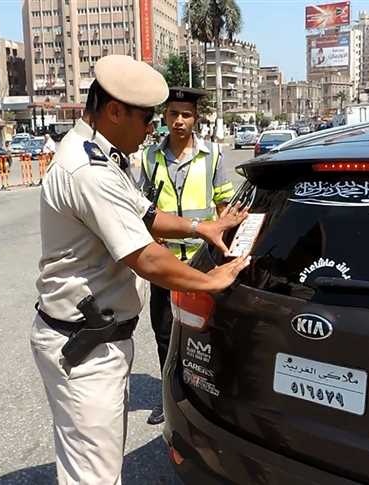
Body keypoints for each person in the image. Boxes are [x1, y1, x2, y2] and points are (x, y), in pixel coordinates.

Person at [31, 55, 250, 485]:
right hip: (84, 345)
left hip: (95, 339)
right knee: (94, 477)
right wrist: (210, 281)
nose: (154, 128)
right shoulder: (87, 171)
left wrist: (201, 227)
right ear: (115, 111)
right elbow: (146, 257)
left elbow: (146, 214)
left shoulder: (102, 155)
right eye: (147, 118)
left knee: (92, 463)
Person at [139, 86, 235, 425]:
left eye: (186, 115)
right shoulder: (151, 157)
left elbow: (225, 206)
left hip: (202, 263)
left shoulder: (212, 156)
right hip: (164, 263)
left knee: (207, 334)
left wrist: (224, 251)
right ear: (164, 116)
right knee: (165, 332)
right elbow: (144, 206)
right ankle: (169, 398)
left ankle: (212, 399)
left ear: (196, 118)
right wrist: (154, 242)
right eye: (173, 114)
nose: (179, 121)